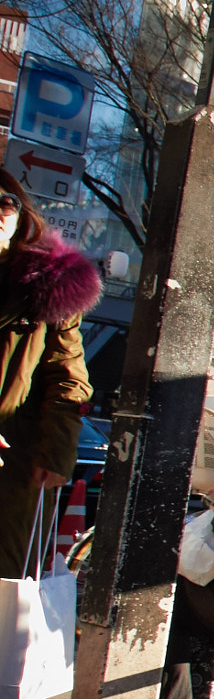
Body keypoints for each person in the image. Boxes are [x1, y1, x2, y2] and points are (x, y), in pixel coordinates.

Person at [0, 171, 97, 577]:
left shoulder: (48, 287)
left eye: (7, 202)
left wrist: (56, 453)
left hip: (13, 471)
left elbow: (68, 380)